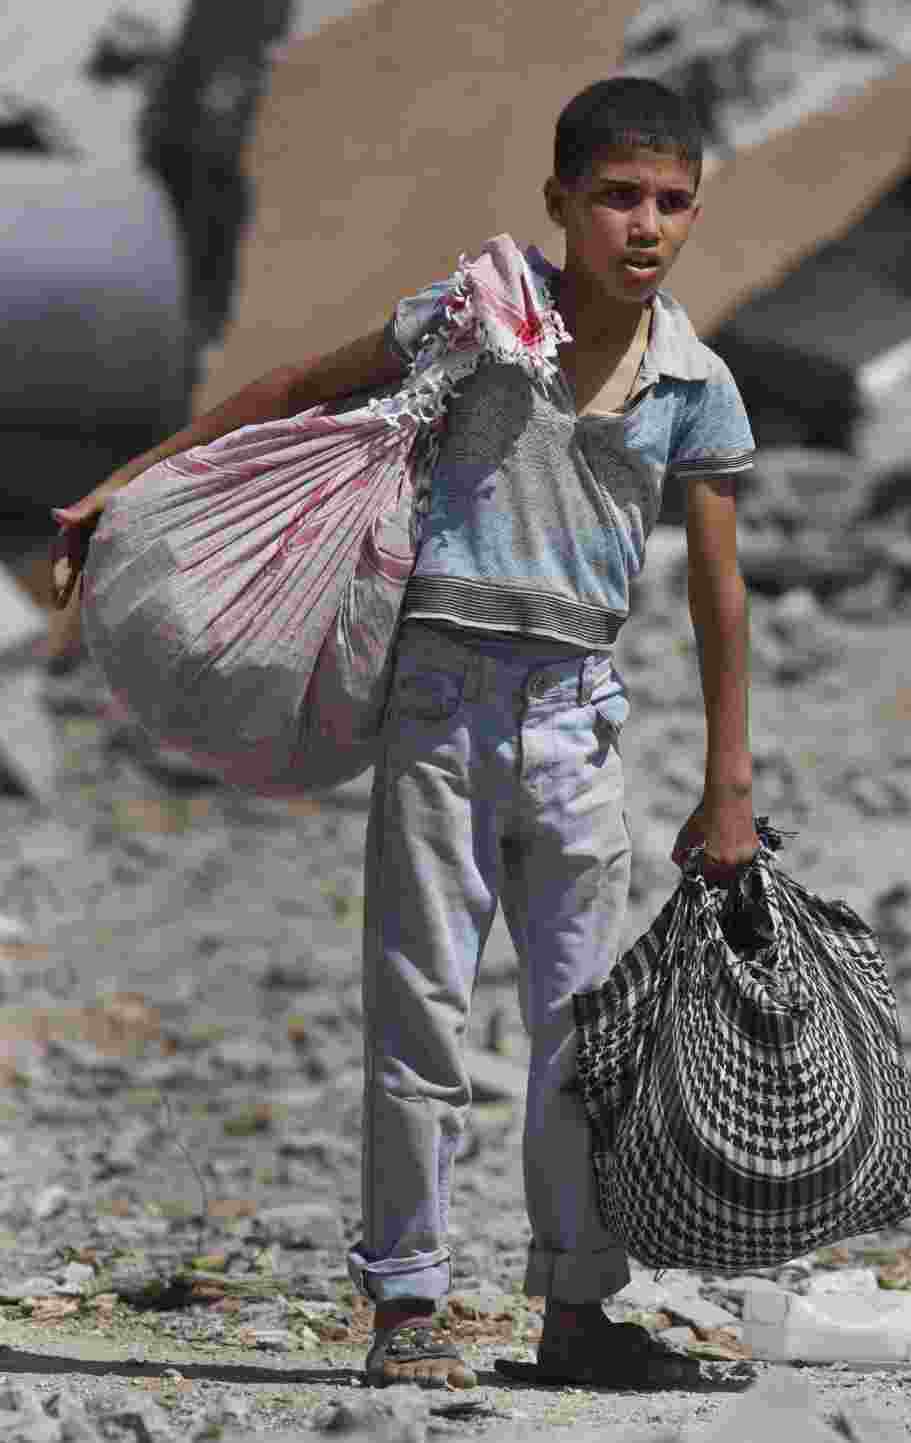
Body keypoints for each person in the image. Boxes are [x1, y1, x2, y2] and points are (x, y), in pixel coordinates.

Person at [53, 76, 760, 1392]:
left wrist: (730, 785)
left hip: (576, 729)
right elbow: (296, 385)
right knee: (419, 1020)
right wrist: (132, 483)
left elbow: (719, 597)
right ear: (560, 204)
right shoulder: (485, 320)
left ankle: (578, 1311)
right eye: (616, 196)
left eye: (672, 202)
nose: (645, 225)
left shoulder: (693, 384)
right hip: (442, 712)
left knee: (587, 1032)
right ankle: (408, 1306)